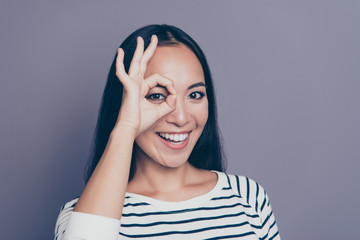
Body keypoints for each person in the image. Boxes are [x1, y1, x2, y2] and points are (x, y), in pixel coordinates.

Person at [54, 24, 280, 240]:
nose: (181, 118)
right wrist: (126, 127)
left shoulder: (248, 197)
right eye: (156, 95)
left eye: (195, 95)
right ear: (123, 104)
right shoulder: (82, 214)